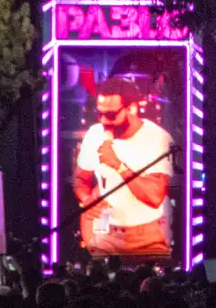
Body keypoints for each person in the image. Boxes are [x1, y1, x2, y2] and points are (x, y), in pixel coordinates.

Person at [73, 77, 174, 257]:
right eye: (99, 114)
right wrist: (87, 200)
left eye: (111, 115)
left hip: (146, 236)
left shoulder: (157, 138)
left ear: (132, 108)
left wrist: (118, 165)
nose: (104, 121)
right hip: (104, 233)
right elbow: (80, 179)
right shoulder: (95, 134)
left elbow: (154, 196)